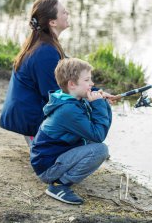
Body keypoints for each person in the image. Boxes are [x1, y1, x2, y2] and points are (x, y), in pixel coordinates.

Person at [30, 58, 112, 205]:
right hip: (47, 168)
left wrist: (102, 102)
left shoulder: (69, 98)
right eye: (87, 80)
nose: (92, 84)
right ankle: (59, 185)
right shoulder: (68, 110)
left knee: (92, 140)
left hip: (50, 157)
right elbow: (99, 135)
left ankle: (64, 176)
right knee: (100, 150)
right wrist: (99, 105)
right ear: (72, 84)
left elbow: (96, 129)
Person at [0, 0, 69, 146]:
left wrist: (93, 91)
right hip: (30, 120)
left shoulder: (44, 43)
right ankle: (39, 141)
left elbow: (69, 74)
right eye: (63, 12)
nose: (67, 13)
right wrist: (85, 98)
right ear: (52, 22)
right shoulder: (46, 51)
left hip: (26, 114)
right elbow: (53, 93)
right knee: (77, 109)